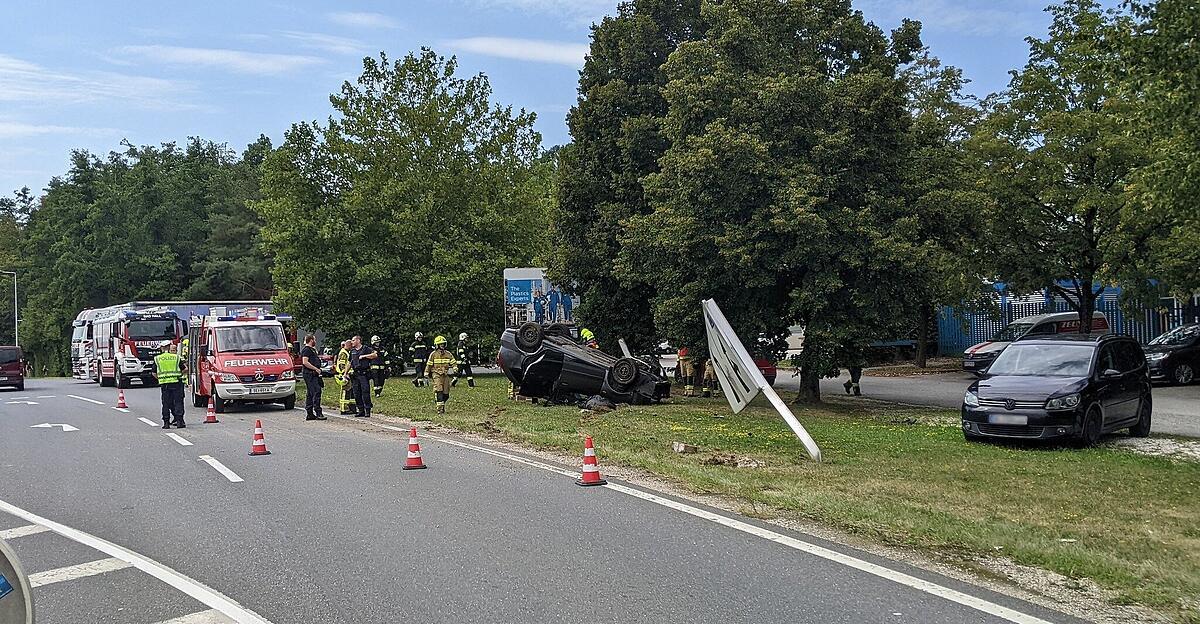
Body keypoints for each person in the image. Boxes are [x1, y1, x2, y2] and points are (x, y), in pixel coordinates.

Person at [153, 340, 186, 429]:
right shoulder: (176, 358)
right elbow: (184, 369)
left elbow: (154, 373)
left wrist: (161, 378)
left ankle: (166, 423)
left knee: (166, 404)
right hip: (176, 382)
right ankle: (179, 422)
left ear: (162, 348)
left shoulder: (157, 358)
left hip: (165, 384)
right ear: (169, 347)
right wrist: (179, 375)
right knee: (178, 402)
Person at [425, 335, 457, 414]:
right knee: (439, 389)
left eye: (443, 344)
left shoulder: (448, 354)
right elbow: (429, 364)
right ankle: (440, 409)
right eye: (440, 344)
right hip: (436, 373)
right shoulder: (433, 354)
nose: (442, 345)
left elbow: (453, 362)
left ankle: (439, 401)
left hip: (445, 374)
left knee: (446, 394)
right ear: (437, 345)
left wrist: (455, 368)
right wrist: (426, 372)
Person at [299, 335, 327, 420]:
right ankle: (318, 412)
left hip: (313, 374)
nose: (315, 341)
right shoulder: (307, 350)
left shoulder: (312, 350)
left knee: (310, 393)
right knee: (316, 392)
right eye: (314, 339)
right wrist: (315, 369)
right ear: (311, 340)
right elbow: (305, 362)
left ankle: (310, 413)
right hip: (310, 374)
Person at [349, 335, 377, 417]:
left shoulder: (365, 349)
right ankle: (360, 410)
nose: (352, 342)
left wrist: (364, 356)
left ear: (358, 340)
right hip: (355, 374)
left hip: (364, 374)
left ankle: (367, 410)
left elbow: (375, 355)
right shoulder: (352, 351)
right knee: (356, 393)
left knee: (365, 392)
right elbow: (349, 363)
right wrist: (345, 373)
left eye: (353, 340)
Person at [336, 339, 355, 415]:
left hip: (349, 375)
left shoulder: (347, 352)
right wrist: (346, 374)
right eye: (351, 345)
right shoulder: (343, 353)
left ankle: (351, 408)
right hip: (345, 376)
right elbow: (341, 365)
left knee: (350, 393)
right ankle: (344, 409)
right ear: (349, 345)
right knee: (345, 392)